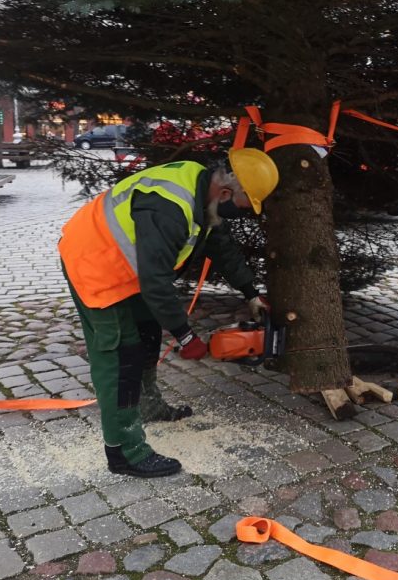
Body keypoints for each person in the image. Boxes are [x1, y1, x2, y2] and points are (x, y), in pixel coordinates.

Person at [59, 149, 278, 478]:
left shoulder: (203, 191)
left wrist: (251, 294)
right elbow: (156, 284)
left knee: (147, 335)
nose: (243, 214)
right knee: (122, 354)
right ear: (227, 193)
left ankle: (149, 407)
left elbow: (221, 246)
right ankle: (125, 452)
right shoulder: (170, 208)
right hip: (95, 263)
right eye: (246, 206)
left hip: (131, 269)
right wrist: (186, 336)